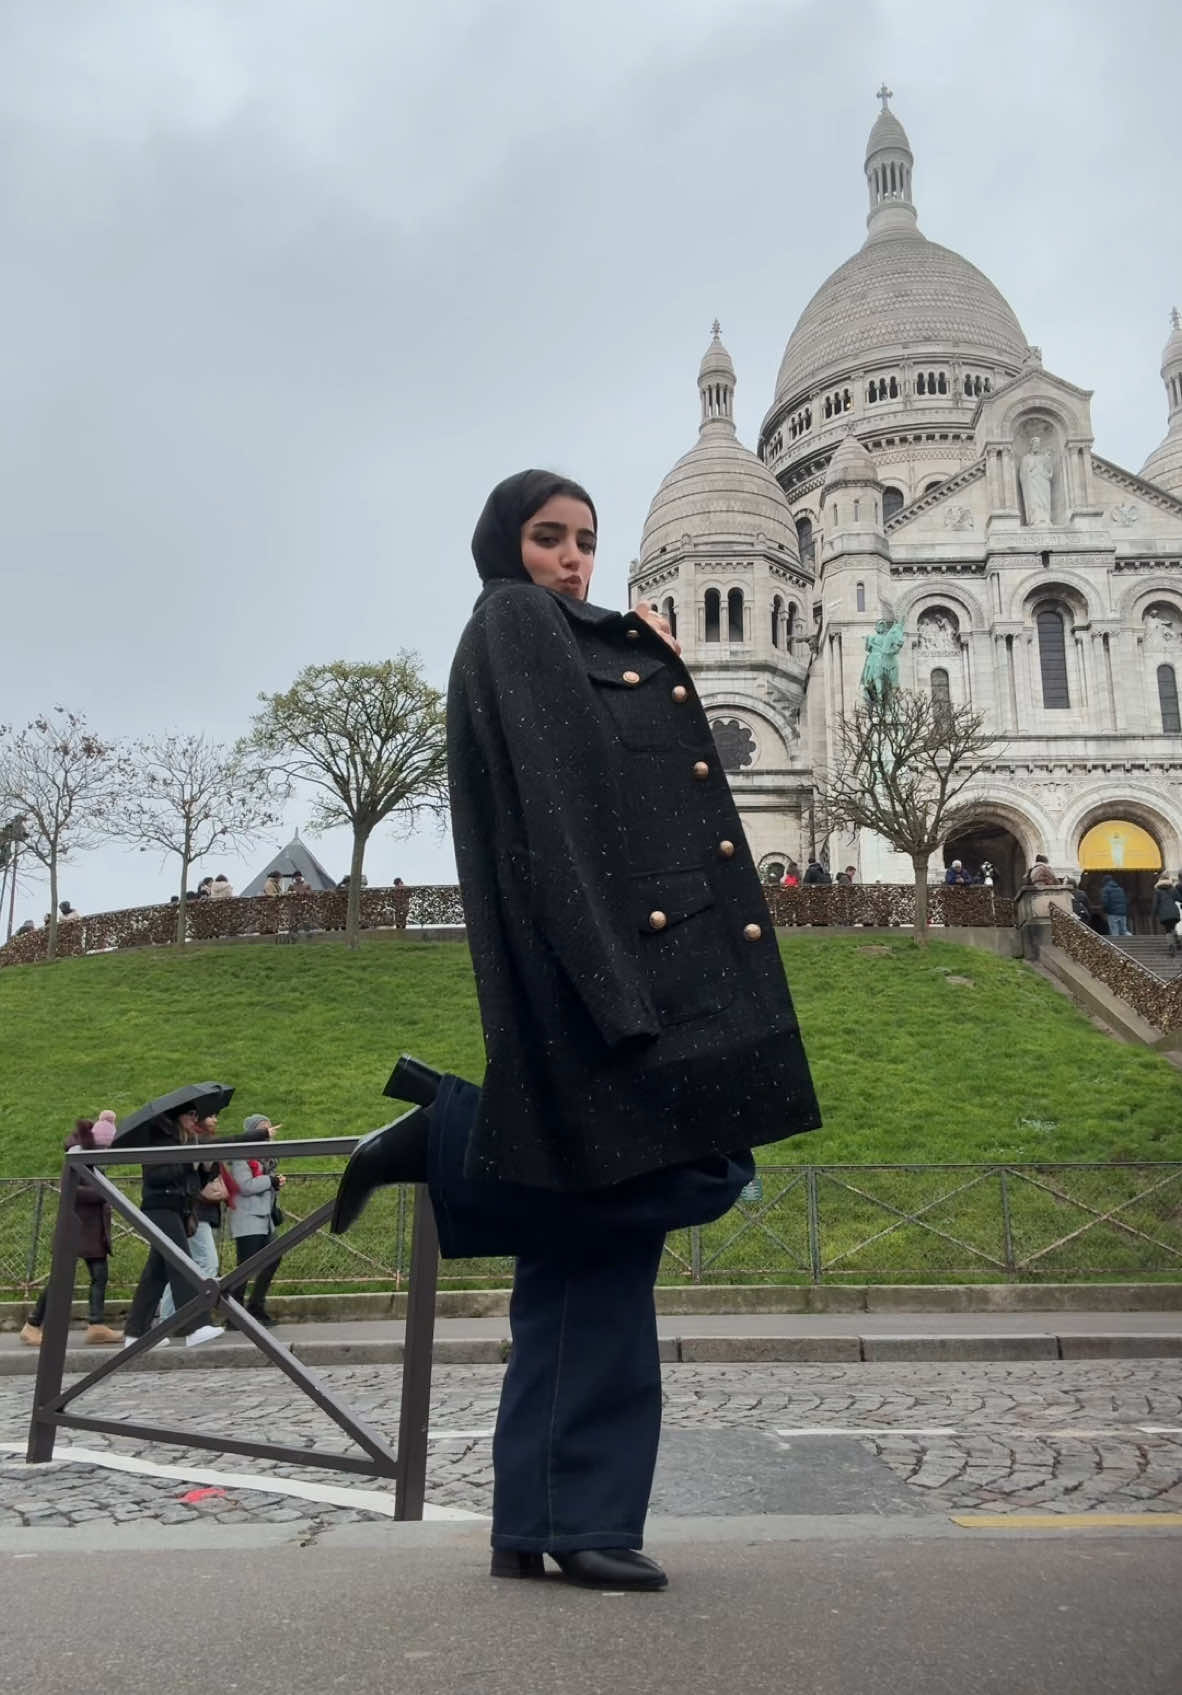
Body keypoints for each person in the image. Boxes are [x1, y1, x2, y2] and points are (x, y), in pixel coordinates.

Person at [333, 469, 821, 1592]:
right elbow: (559, 812)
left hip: (606, 969)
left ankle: (547, 1517)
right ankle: (457, 1137)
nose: (571, 558)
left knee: (584, 1253)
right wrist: (617, 991)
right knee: (703, 1168)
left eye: (586, 542)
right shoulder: (517, 621)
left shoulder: (554, 634)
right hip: (613, 976)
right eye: (550, 537)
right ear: (505, 545)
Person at [122, 1109, 224, 1348]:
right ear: (177, 1116)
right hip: (159, 1207)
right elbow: (157, 1177)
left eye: (197, 1114)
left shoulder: (184, 1141)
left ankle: (136, 1333)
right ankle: (195, 1326)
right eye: (190, 1114)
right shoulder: (159, 1140)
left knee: (156, 1272)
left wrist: (205, 1169)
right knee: (182, 1264)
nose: (194, 1119)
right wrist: (188, 1163)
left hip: (175, 1209)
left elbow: (192, 1186)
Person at [20, 1119, 122, 1348]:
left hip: (92, 1230)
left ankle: (96, 1325)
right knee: (60, 1278)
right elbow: (71, 1190)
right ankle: (32, 1324)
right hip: (76, 1228)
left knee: (100, 1275)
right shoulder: (75, 1158)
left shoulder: (90, 1159)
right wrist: (103, 1192)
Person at [157, 1111, 225, 1325]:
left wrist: (205, 1171)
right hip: (194, 1213)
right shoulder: (196, 1142)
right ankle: (187, 1316)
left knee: (186, 1265)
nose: (215, 1119)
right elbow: (189, 1184)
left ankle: (172, 1316)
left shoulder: (198, 1142)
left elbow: (198, 1180)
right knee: (206, 1263)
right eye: (211, 1116)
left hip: (194, 1212)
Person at [223, 1115, 285, 1325]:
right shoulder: (242, 1156)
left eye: (268, 1128)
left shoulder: (265, 1159)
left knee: (274, 1257)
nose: (267, 1133)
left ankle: (256, 1306)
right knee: (245, 1267)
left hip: (264, 1217)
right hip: (247, 1217)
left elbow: (262, 1182)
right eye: (262, 1129)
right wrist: (270, 1180)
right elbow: (245, 1185)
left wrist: (274, 1182)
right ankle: (235, 1314)